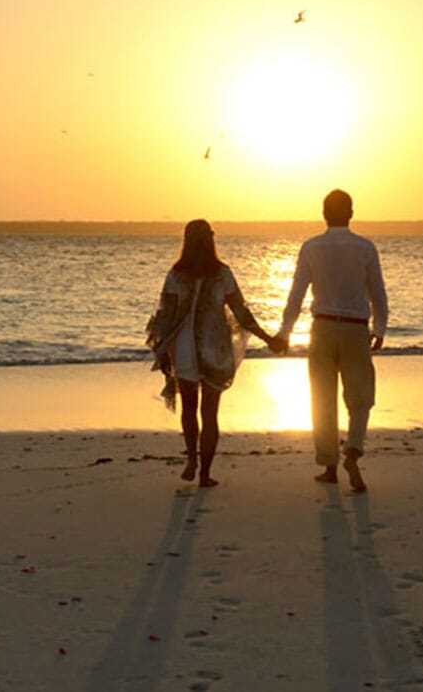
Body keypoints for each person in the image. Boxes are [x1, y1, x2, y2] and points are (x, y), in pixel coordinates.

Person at [144, 219, 284, 487]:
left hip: (184, 346)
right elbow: (241, 312)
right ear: (211, 240)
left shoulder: (176, 273)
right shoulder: (222, 274)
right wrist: (268, 338)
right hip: (214, 346)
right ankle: (205, 473)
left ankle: (192, 460)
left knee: (188, 407)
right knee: (210, 413)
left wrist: (162, 351)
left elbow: (166, 315)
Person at [277, 189, 388, 491]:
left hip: (323, 327)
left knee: (322, 398)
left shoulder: (311, 247)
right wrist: (380, 328)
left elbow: (296, 294)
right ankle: (353, 449)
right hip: (355, 328)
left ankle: (329, 465)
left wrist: (285, 332)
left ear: (324, 213)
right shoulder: (365, 248)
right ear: (350, 213)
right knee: (361, 396)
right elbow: (377, 292)